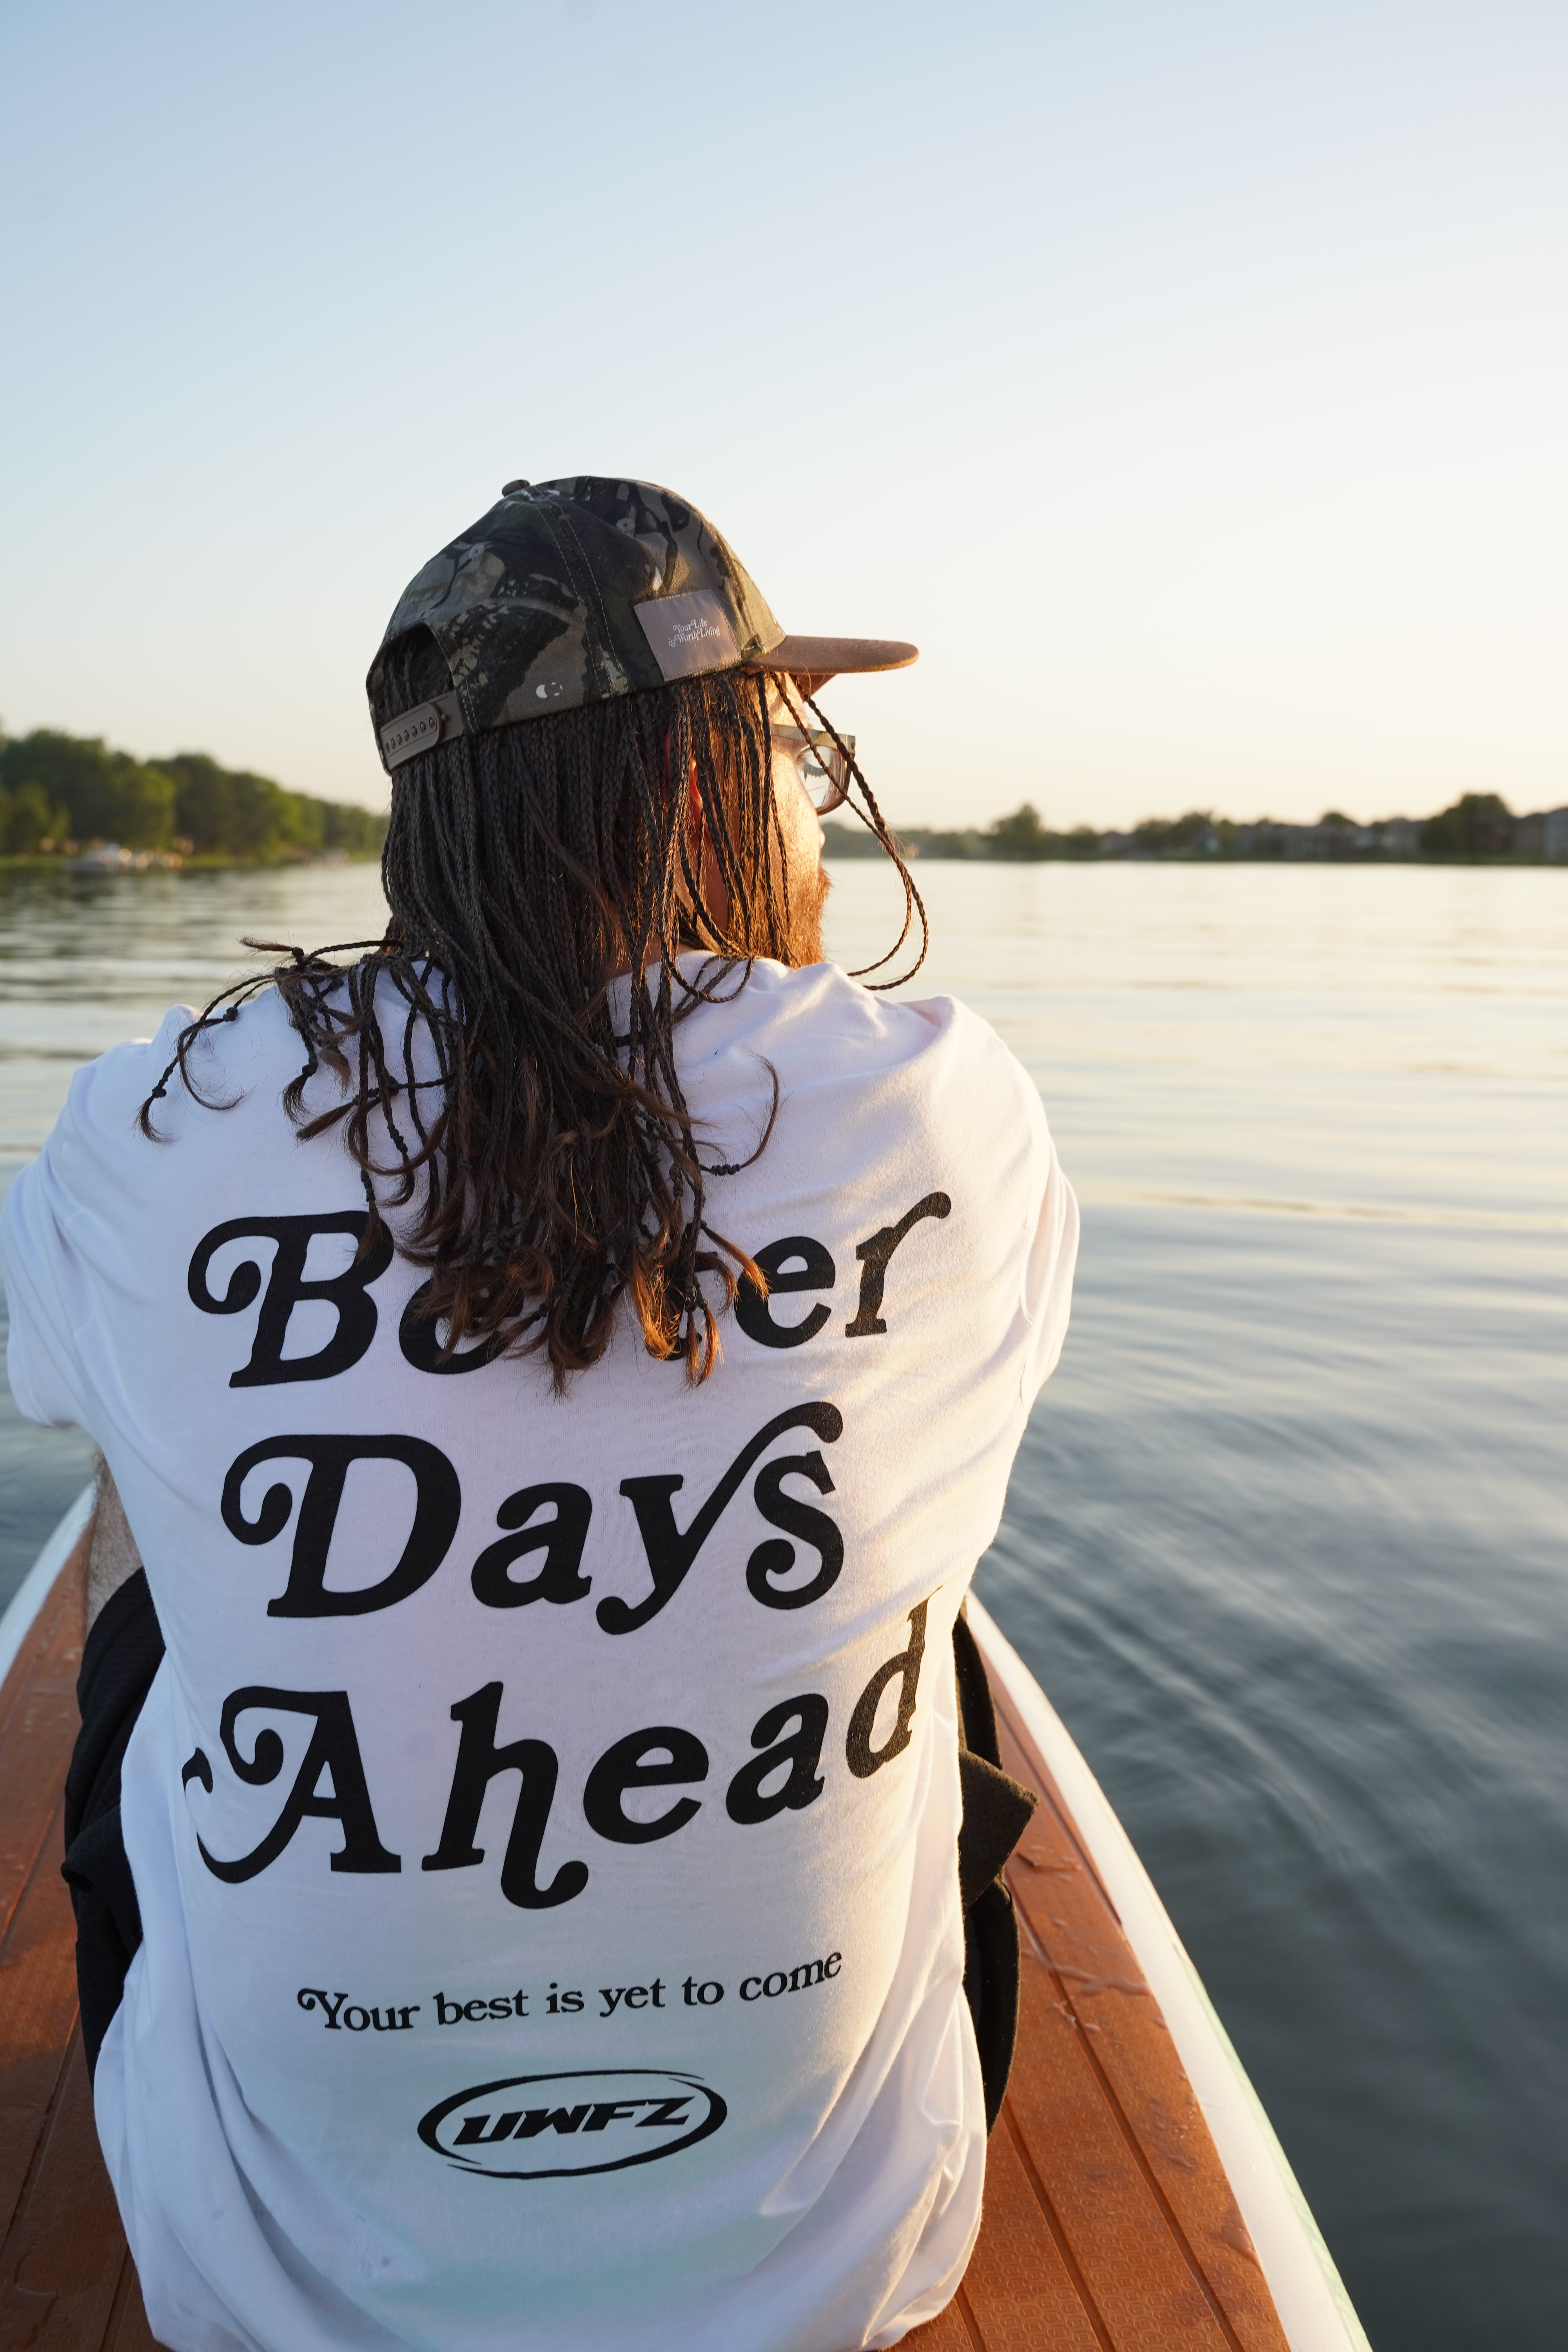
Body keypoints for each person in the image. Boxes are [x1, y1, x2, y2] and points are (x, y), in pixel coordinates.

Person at [1, 476, 1078, 2352]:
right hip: (837, 2284)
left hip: (268, 2291)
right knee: (924, 1616)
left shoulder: (153, 1130)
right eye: (795, 748)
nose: (819, 796)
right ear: (696, 793)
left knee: (166, 1575)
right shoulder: (937, 1114)